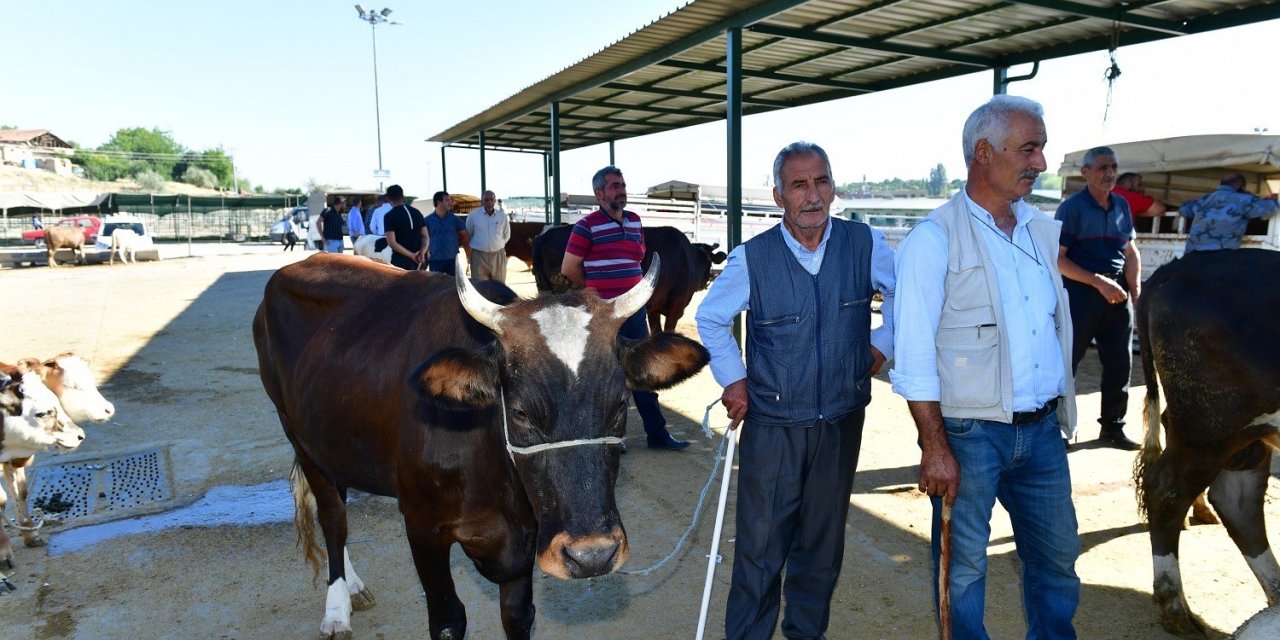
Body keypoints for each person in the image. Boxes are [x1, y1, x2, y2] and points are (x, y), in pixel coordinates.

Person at [891, 95, 1080, 639]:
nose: (1040, 163)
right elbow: (916, 355)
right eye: (1029, 149)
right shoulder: (934, 240)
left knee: (1058, 560)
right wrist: (935, 445)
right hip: (970, 434)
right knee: (964, 568)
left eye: (1040, 148)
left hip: (1042, 431)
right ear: (983, 153)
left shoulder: (1041, 232)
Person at [696, 142, 895, 639]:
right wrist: (734, 379)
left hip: (842, 422)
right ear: (779, 195)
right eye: (799, 185)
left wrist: (882, 345)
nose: (813, 195)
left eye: (822, 181)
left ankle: (806, 633)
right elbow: (711, 318)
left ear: (834, 186)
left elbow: (905, 298)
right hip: (773, 427)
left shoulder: (866, 244)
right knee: (760, 550)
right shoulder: (752, 259)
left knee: (822, 548)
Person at [562, 166, 688, 452]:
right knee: (606, 375)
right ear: (599, 193)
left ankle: (657, 435)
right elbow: (568, 268)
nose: (621, 189)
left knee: (641, 371)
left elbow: (637, 258)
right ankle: (610, 437)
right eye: (615, 185)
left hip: (634, 310)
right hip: (603, 315)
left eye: (622, 184)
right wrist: (596, 293)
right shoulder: (586, 226)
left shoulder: (634, 221)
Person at [1056, 146, 1142, 450]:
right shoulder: (1072, 209)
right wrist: (1098, 282)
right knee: (1067, 363)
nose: (1109, 174)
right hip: (1081, 293)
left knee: (1121, 364)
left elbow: (1130, 253)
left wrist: (1137, 293)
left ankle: (1113, 428)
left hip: (1117, 295)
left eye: (1113, 167)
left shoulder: (1121, 206)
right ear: (1086, 173)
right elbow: (1059, 259)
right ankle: (1057, 430)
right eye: (1103, 167)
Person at [1180, 172, 1280, 253]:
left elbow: (1183, 209)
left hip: (1192, 254)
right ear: (1241, 186)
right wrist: (1271, 199)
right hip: (1220, 256)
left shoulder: (1203, 200)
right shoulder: (1244, 200)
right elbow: (1272, 208)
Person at [465, 190, 511, 282]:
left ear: (495, 200)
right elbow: (468, 234)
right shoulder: (473, 215)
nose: (489, 202)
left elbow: (506, 235)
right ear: (482, 201)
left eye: (491, 199)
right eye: (486, 200)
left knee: (499, 287)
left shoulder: (502, 216)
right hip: (478, 256)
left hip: (498, 256)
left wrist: (497, 245)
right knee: (479, 287)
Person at [383, 185, 427, 270]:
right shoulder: (417, 212)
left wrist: (411, 255)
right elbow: (426, 236)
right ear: (403, 197)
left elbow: (392, 243)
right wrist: (422, 253)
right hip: (420, 261)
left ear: (388, 199)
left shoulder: (389, 216)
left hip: (400, 262)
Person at [424, 191, 469, 275]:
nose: (451, 203)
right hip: (434, 261)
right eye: (447, 200)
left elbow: (465, 236)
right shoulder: (427, 220)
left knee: (453, 286)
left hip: (452, 260)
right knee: (436, 286)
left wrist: (455, 244)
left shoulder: (455, 219)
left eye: (450, 200)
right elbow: (424, 239)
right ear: (438, 202)